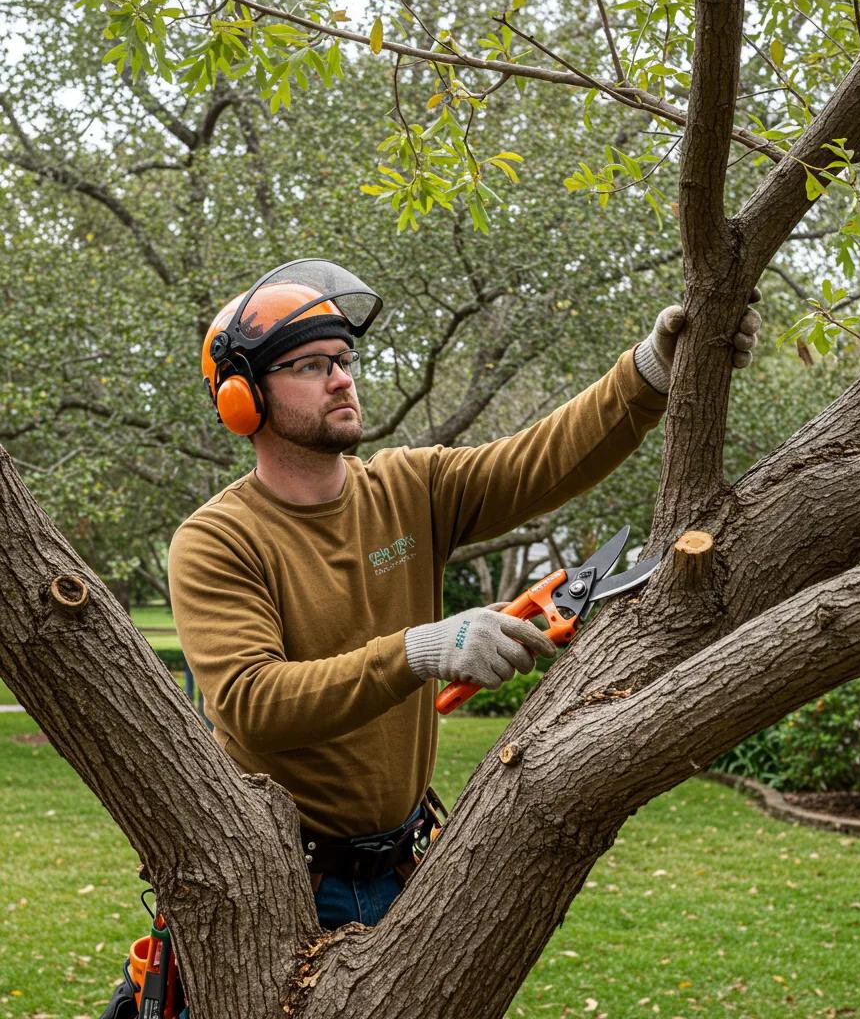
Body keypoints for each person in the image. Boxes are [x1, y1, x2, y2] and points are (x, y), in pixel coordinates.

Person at [100, 258, 759, 1018]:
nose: (342, 379)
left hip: (405, 861)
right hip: (279, 877)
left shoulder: (408, 487)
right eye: (312, 366)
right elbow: (253, 702)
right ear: (242, 398)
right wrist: (423, 649)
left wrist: (651, 372)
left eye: (344, 360)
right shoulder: (218, 540)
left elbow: (540, 460)